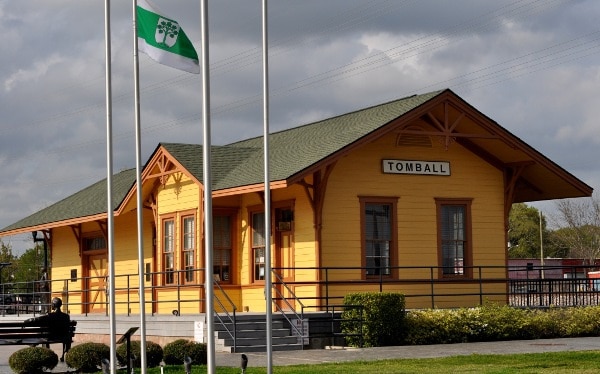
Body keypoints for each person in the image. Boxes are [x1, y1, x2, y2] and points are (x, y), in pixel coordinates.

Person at [25, 297, 72, 361]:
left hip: (50, 337)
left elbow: (37, 319)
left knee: (42, 334)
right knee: (43, 333)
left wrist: (27, 321)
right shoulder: (66, 316)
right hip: (63, 337)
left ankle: (42, 352)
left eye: (52, 304)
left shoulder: (49, 315)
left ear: (54, 305)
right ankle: (63, 354)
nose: (51, 305)